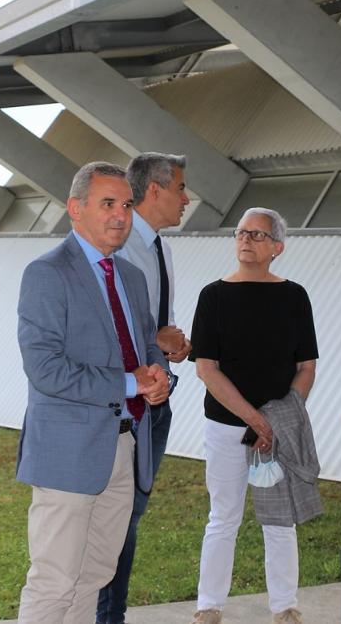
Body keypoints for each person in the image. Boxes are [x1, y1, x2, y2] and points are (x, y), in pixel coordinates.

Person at [15, 161, 171, 623]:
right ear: (75, 209)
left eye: (125, 204)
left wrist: (160, 378)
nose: (120, 215)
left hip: (124, 445)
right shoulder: (46, 273)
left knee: (95, 574)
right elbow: (44, 367)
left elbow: (146, 348)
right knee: (55, 579)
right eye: (108, 204)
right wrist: (130, 384)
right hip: (68, 452)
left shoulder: (132, 278)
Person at [189, 207, 318, 624]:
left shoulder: (294, 296)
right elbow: (207, 368)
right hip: (227, 426)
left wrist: (278, 418)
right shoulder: (214, 295)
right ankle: (209, 606)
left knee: (280, 521)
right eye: (242, 232)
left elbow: (306, 367)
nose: (246, 240)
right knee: (223, 516)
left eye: (258, 235)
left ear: (277, 248)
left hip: (276, 430)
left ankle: (285, 607)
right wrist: (254, 419)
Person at [96, 153, 193, 624]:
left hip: (156, 400)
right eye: (179, 187)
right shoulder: (117, 247)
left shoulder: (161, 249)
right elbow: (109, 330)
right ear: (154, 190)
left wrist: (169, 343)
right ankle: (106, 616)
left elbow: (149, 325)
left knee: (130, 516)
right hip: (123, 404)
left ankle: (111, 614)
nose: (186, 198)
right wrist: (157, 339)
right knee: (115, 517)